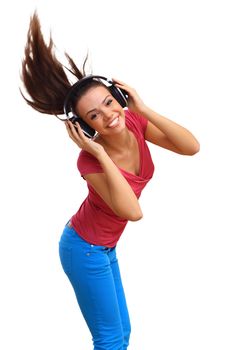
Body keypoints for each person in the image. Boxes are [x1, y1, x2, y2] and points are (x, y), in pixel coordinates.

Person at [20, 11, 200, 350]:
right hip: (82, 249)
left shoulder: (134, 122)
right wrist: (101, 154)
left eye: (108, 102)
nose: (108, 116)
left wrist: (142, 108)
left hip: (104, 247)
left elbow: (191, 147)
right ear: (86, 126)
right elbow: (132, 211)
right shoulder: (89, 160)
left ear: (119, 96)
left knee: (122, 335)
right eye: (94, 116)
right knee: (109, 340)